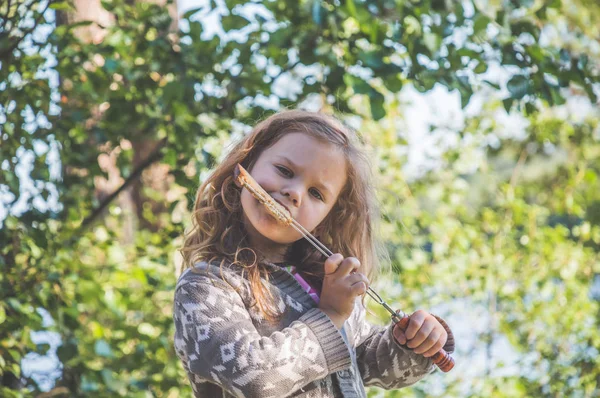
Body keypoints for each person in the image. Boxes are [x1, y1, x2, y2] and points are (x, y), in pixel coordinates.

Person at [174, 109, 455, 398]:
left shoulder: (324, 281)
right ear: (245, 167)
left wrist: (411, 343)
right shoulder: (205, 287)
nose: (294, 193)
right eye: (284, 171)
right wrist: (331, 314)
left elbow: (367, 363)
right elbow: (254, 378)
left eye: (316, 194)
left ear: (327, 219)